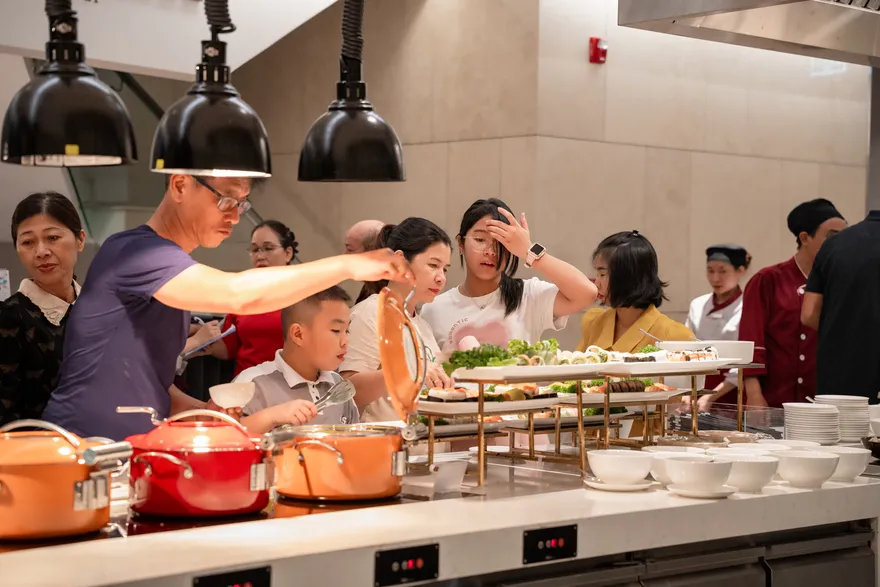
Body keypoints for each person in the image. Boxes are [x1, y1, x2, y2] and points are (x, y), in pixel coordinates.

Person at [41, 175, 412, 440]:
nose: (235, 216)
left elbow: (150, 382)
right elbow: (239, 294)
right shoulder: (136, 251)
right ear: (180, 185)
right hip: (86, 440)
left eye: (241, 203)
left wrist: (207, 413)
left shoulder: (169, 265)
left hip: (136, 444)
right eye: (226, 200)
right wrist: (348, 265)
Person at [422, 198, 597, 351]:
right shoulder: (434, 309)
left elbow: (586, 293)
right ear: (461, 243)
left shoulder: (528, 295)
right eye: (480, 240)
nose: (490, 251)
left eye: (500, 243)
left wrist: (530, 252)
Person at [341, 218, 454, 422]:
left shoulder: (421, 324)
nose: (441, 278)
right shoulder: (371, 312)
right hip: (384, 439)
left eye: (445, 269)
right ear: (400, 260)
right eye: (433, 265)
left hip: (425, 438)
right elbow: (350, 391)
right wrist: (410, 369)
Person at [739, 199, 846, 408]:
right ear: (805, 238)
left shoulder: (840, 282)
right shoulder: (768, 280)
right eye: (832, 237)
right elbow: (750, 342)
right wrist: (754, 395)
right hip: (775, 398)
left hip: (823, 399)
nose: (841, 244)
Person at [0, 192, 85, 425]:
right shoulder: (10, 317)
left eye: (52, 238)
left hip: (102, 441)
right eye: (28, 242)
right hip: (35, 445)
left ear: (80, 240)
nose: (41, 252)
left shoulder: (97, 307)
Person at [235, 286, 356, 434]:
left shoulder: (337, 384)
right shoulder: (252, 384)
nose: (345, 341)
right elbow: (225, 437)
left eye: (347, 331)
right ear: (298, 334)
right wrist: (270, 417)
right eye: (336, 330)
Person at [802, 210, 880, 402]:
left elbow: (809, 314)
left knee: (839, 421)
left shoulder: (833, 244)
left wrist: (845, 331)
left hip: (839, 376)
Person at [204, 220, 298, 376]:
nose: (260, 256)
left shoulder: (304, 294)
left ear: (288, 253)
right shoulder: (243, 294)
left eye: (268, 248)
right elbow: (228, 349)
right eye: (254, 250)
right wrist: (202, 341)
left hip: (291, 381)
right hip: (247, 382)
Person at [577, 231, 693, 352]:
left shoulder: (675, 337)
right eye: (596, 274)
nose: (596, 284)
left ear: (629, 277)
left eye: (602, 274)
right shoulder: (594, 322)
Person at [685, 244, 751, 412]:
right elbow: (686, 348)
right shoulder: (698, 305)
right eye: (710, 270)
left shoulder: (747, 307)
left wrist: (712, 395)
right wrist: (686, 390)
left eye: (722, 271)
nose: (715, 278)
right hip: (698, 387)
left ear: (740, 271)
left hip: (733, 390)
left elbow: (745, 360)